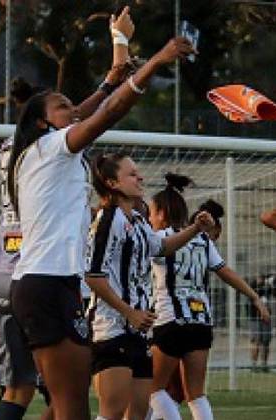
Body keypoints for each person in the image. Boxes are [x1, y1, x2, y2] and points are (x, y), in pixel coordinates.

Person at [6, 5, 196, 417]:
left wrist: (119, 50)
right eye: (62, 107)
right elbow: (106, 112)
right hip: (44, 285)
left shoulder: (52, 148)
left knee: (63, 406)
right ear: (42, 123)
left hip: (52, 284)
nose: (73, 109)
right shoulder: (48, 148)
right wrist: (158, 61)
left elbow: (96, 103)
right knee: (72, 406)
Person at [86, 157, 215, 420]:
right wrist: (129, 312)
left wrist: (195, 228)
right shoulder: (110, 219)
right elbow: (93, 275)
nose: (140, 178)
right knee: (112, 412)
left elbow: (163, 247)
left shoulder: (137, 220)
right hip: (111, 327)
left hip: (138, 330)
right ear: (112, 183)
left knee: (139, 413)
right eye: (132, 174)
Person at [147, 181, 269, 420]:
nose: (149, 218)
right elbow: (226, 271)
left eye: (151, 212)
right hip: (201, 321)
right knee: (196, 394)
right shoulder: (202, 240)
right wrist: (254, 296)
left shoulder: (158, 238)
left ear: (161, 213)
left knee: (153, 389)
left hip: (170, 319)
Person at [0, 77, 53, 420]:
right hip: (34, 270)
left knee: (17, 387)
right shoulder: (44, 146)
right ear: (43, 117)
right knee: (66, 385)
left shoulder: (6, 144)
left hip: (3, 264)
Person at [250, 275, 276, 373]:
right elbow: (253, 293)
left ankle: (264, 364)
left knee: (266, 341)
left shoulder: (267, 287)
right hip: (255, 317)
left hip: (266, 318)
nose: (261, 280)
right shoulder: (253, 286)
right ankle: (253, 365)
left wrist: (271, 283)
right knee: (256, 341)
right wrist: (261, 283)